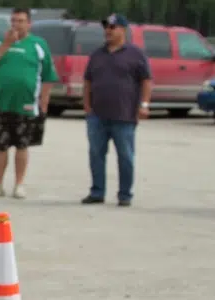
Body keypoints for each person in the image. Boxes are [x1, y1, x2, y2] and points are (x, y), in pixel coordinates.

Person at [0, 7, 57, 200]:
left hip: (26, 105)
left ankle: (19, 184)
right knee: (1, 146)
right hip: (0, 104)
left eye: (20, 21)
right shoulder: (0, 43)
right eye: (13, 20)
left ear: (29, 23)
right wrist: (6, 44)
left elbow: (48, 75)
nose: (16, 24)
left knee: (22, 146)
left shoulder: (38, 45)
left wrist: (44, 102)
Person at [80, 13, 151, 208]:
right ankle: (97, 192)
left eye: (113, 27)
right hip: (97, 115)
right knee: (96, 154)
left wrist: (144, 105)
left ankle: (125, 194)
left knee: (126, 156)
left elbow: (146, 80)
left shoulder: (135, 54)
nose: (108, 31)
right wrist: (87, 105)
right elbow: (87, 81)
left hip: (124, 115)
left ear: (123, 30)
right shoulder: (97, 54)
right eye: (106, 28)